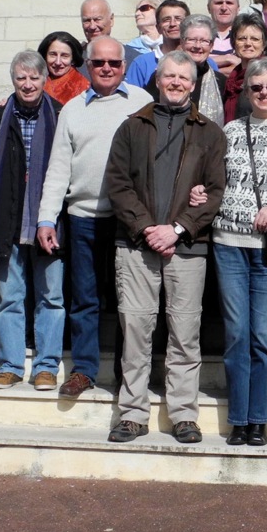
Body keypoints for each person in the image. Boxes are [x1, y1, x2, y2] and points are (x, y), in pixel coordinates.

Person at [104, 51, 226, 445]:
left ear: (193, 84)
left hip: (187, 248)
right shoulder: (131, 127)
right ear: (158, 80)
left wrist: (176, 229)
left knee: (185, 334)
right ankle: (133, 414)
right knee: (136, 331)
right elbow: (118, 185)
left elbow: (215, 191)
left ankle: (184, 415)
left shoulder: (210, 133)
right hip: (136, 246)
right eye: (169, 76)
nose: (175, 82)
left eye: (183, 78)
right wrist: (147, 229)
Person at [37, 37, 153, 398]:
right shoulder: (72, 109)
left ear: (123, 66)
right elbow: (58, 168)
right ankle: (84, 370)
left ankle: (127, 373)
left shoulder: (143, 103)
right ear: (87, 66)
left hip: (128, 219)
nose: (106, 68)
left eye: (114, 63)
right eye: (99, 62)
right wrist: (46, 218)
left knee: (129, 302)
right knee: (84, 299)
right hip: (83, 216)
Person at [211, 58, 267, 447]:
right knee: (235, 335)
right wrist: (203, 193)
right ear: (246, 92)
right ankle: (238, 417)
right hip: (228, 243)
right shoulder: (230, 130)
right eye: (256, 88)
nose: (263, 93)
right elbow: (214, 178)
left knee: (263, 335)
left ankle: (260, 416)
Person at [0, 52, 64, 391]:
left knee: (51, 297)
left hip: (49, 222)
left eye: (34, 78)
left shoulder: (60, 115)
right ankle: (11, 365)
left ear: (44, 80)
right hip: (5, 219)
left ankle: (45, 366)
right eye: (20, 78)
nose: (27, 85)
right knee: (9, 297)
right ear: (13, 81)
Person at [125, 0, 190, 88]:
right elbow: (132, 98)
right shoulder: (141, 64)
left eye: (178, 19)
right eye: (166, 19)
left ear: (188, 25)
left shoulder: (203, 64)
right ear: (158, 27)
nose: (172, 24)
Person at [174, 14, 227, 124]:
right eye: (192, 39)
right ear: (182, 42)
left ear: (211, 46)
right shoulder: (166, 77)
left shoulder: (221, 82)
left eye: (204, 41)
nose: (197, 46)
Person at [220, 14, 267, 123]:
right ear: (234, 42)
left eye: (255, 39)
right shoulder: (231, 80)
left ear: (264, 44)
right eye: (242, 38)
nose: (248, 43)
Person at [79, 0, 140, 68]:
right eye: (87, 20)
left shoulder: (135, 60)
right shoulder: (74, 60)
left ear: (111, 19)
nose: (92, 26)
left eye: (97, 19)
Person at [38, 30, 88, 105]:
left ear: (73, 59)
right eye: (53, 54)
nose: (58, 62)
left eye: (64, 56)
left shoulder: (83, 88)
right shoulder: (33, 81)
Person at [207, 0, 244, 76]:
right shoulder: (199, 35)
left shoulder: (246, 35)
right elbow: (192, 63)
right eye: (219, 3)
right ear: (208, 8)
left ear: (238, 8)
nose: (224, 8)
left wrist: (209, 64)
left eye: (229, 3)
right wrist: (227, 59)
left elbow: (249, 67)